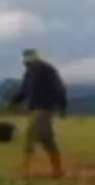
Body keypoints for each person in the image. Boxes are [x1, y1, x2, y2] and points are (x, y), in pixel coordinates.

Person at [10, 48, 68, 178]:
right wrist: (14, 101)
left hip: (43, 109)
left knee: (30, 136)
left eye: (27, 58)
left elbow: (59, 88)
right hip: (37, 109)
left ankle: (25, 171)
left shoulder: (46, 70)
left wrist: (62, 105)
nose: (25, 61)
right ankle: (58, 170)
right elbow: (25, 91)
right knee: (48, 141)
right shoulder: (30, 72)